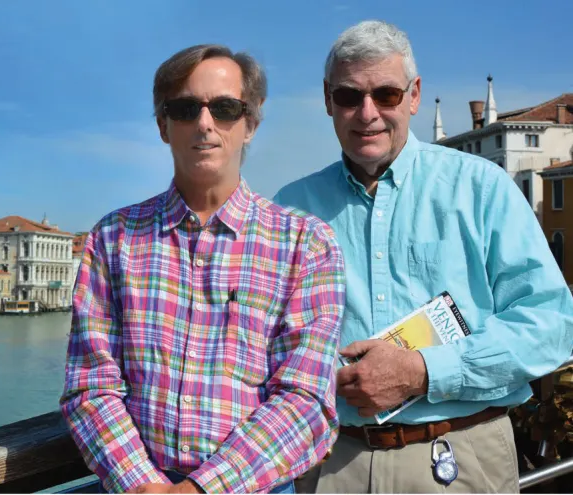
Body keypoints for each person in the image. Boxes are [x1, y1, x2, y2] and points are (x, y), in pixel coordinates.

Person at [273, 20, 573, 493]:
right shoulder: (290, 209)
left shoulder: (482, 188)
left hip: (461, 456)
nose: (367, 113)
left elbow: (552, 323)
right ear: (328, 99)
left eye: (386, 95)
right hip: (331, 465)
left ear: (414, 97)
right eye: (350, 96)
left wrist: (422, 372)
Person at [61, 44, 347, 494]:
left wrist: (202, 489)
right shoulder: (111, 239)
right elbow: (91, 386)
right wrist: (144, 485)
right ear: (163, 125)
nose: (205, 123)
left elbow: (305, 400)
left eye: (226, 107)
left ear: (250, 123)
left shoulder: (306, 245)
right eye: (186, 108)